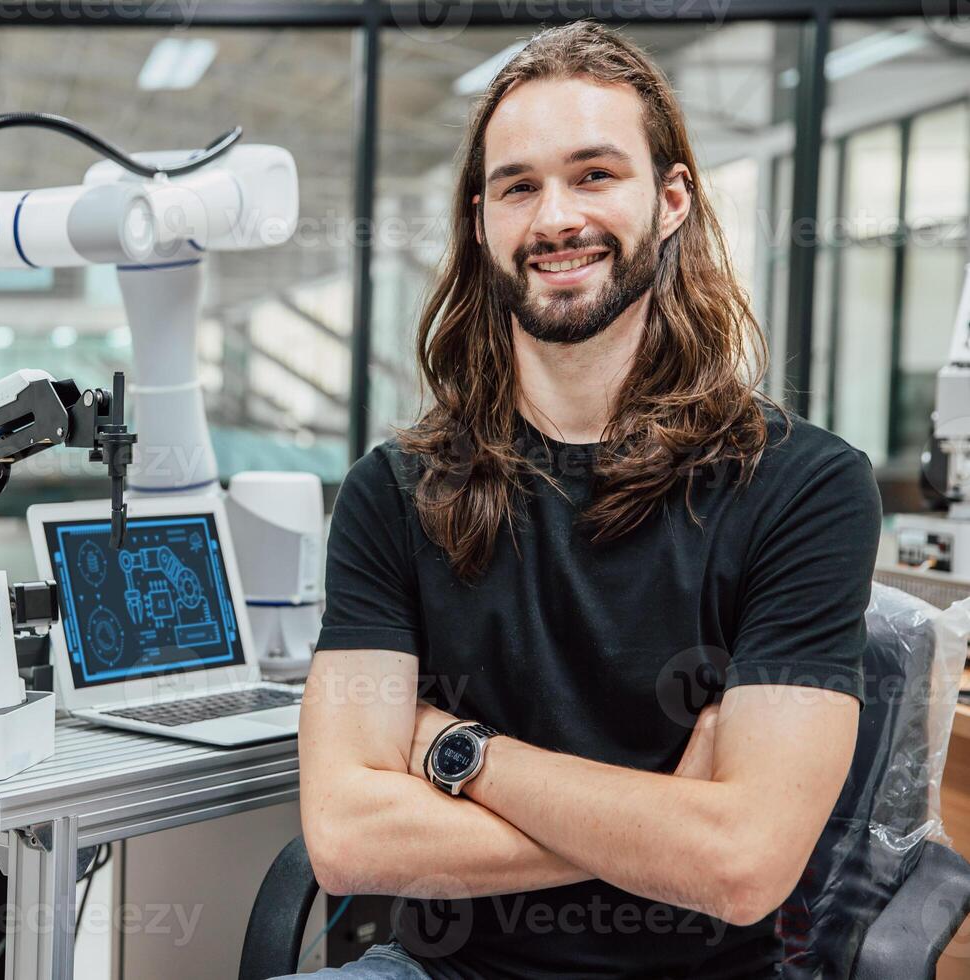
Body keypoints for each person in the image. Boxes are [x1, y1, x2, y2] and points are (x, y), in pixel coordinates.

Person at [287, 21, 881, 979]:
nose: (555, 217)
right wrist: (662, 824)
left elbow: (740, 867)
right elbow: (349, 839)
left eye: (595, 174)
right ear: (481, 220)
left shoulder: (802, 487)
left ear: (672, 198)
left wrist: (461, 753)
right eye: (519, 186)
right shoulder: (393, 492)